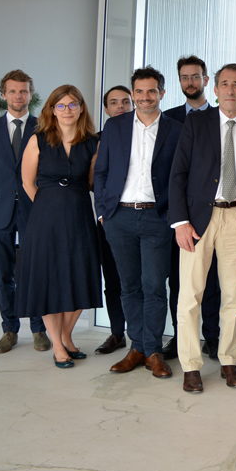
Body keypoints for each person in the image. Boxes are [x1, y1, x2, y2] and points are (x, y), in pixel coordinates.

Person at [169, 63, 236, 393]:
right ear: (215, 89)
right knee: (190, 296)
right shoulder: (196, 122)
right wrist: (180, 221)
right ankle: (190, 365)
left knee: (234, 295)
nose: (230, 90)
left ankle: (228, 360)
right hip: (198, 220)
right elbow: (178, 173)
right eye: (224, 83)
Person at [94, 67, 182, 379]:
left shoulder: (176, 130)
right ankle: (137, 348)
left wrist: (175, 215)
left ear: (162, 93)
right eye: (140, 91)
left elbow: (181, 176)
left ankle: (153, 350)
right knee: (129, 286)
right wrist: (103, 211)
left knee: (154, 286)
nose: (145, 97)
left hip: (157, 218)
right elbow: (101, 171)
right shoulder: (115, 126)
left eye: (151, 91)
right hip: (119, 217)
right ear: (133, 94)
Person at [17, 85, 103, 368]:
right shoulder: (38, 139)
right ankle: (57, 344)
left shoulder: (92, 143)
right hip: (45, 220)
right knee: (48, 280)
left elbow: (92, 182)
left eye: (73, 104)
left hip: (80, 217)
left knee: (81, 275)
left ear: (81, 108)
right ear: (52, 110)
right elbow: (27, 182)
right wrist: (49, 205)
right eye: (61, 105)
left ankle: (66, 335)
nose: (67, 110)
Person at [0, 69, 49, 354]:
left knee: (35, 271)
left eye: (23, 91)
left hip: (34, 209)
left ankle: (39, 329)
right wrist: (0, 194)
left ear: (31, 94)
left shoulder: (44, 127)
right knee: (3, 275)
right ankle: (9, 330)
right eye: (13, 91)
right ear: (3, 94)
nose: (18, 96)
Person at [163, 55, 222, 361]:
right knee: (179, 281)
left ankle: (212, 336)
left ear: (205, 80)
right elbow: (171, 170)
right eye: (185, 77)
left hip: (211, 212)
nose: (190, 82)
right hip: (178, 214)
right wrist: (176, 216)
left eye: (195, 76)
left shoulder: (219, 117)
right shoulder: (169, 118)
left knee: (211, 281)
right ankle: (180, 338)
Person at [94, 84, 132, 356]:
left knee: (142, 282)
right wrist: (101, 213)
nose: (120, 106)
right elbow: (95, 177)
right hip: (109, 218)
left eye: (125, 101)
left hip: (142, 216)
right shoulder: (97, 139)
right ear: (106, 109)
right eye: (114, 102)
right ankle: (117, 332)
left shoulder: (146, 132)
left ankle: (143, 338)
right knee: (113, 279)